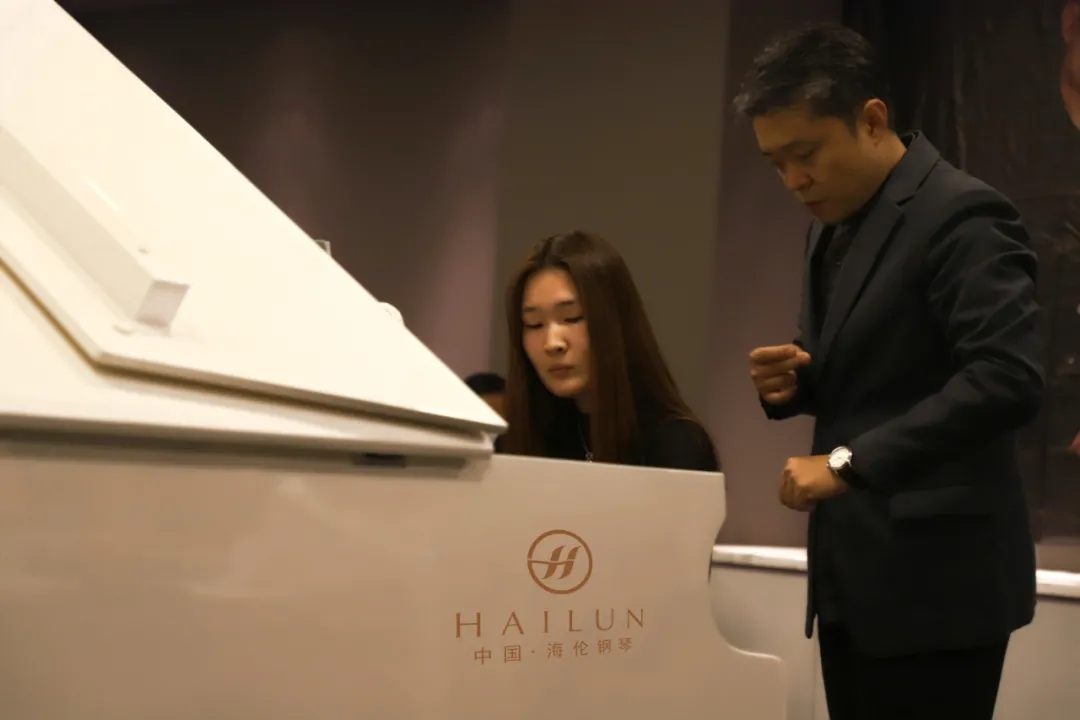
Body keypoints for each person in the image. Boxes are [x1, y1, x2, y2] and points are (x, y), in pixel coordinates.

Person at [735, 23, 1043, 720]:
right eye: (776, 163)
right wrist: (797, 384)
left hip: (939, 589)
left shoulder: (963, 213)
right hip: (854, 576)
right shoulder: (828, 224)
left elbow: (1006, 377)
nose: (793, 181)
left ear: (872, 120)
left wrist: (846, 463)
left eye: (805, 154)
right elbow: (880, 373)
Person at [497, 231, 718, 471]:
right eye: (534, 324)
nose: (552, 343)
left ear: (616, 322)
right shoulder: (516, 443)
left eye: (572, 317)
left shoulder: (675, 445)